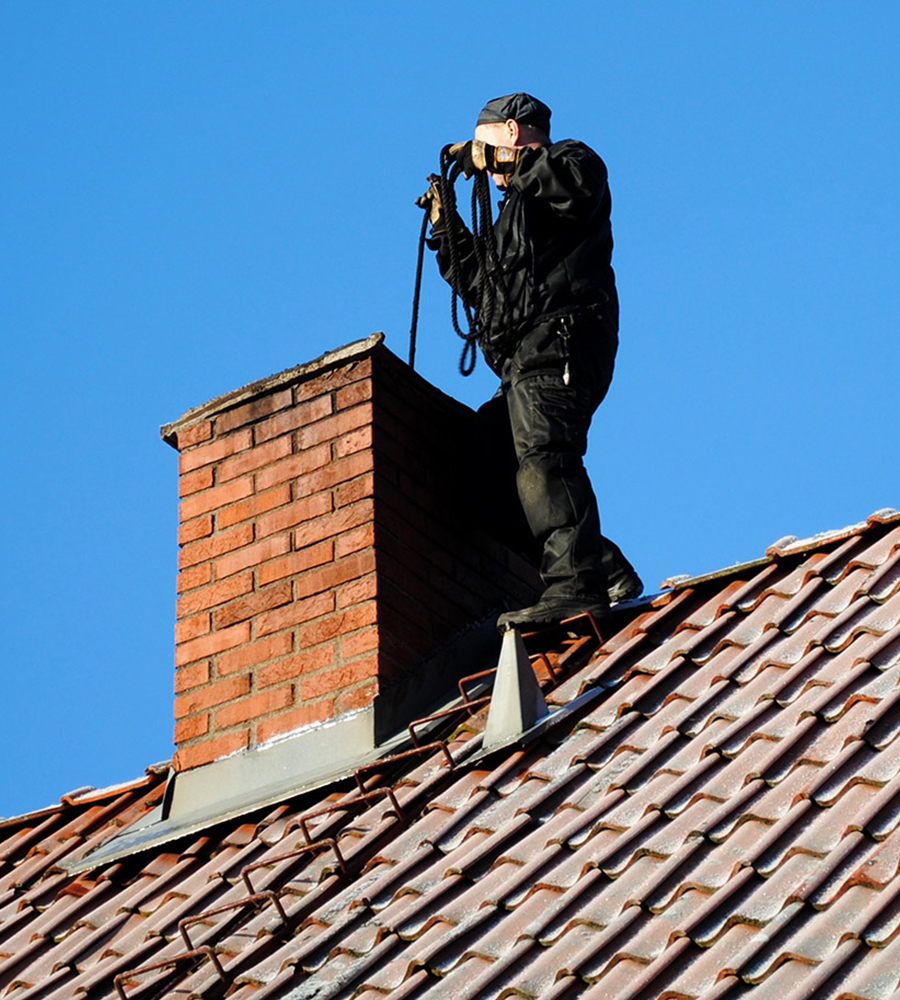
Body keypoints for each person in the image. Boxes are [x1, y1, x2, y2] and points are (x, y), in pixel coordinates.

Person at [418, 92, 641, 630]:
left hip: (560, 339)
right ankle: (600, 567)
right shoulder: (512, 215)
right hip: (520, 358)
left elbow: (563, 186)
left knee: (544, 456)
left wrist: (491, 160)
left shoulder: (574, 161)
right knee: (482, 476)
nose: (483, 168)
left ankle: (575, 587)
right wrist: (448, 228)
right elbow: (485, 288)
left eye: (485, 145)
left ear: (512, 133)